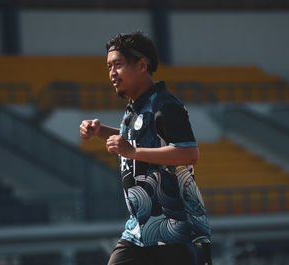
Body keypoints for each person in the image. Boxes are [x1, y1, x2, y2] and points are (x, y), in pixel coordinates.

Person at [79, 31, 212, 265]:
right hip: (138, 232)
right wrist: (100, 132)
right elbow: (134, 141)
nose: (111, 73)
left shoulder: (166, 105)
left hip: (176, 232)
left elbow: (190, 154)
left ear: (142, 65)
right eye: (109, 66)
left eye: (117, 65)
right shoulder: (135, 108)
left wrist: (132, 152)